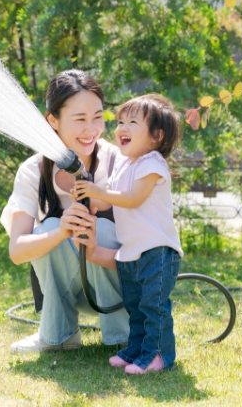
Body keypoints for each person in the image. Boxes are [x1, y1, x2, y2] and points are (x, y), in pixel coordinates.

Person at [1, 70, 130, 353]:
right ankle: (58, 336)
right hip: (72, 290)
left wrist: (93, 240)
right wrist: (62, 230)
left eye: (97, 117)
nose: (91, 129)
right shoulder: (33, 171)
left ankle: (126, 334)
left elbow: (146, 243)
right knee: (47, 229)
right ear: (53, 120)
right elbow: (17, 251)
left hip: (118, 287)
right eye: (80, 119)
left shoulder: (118, 162)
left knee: (101, 228)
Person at [72, 93, 183, 374]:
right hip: (131, 251)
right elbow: (108, 201)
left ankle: (159, 356)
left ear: (157, 135)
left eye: (133, 122)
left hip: (157, 250)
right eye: (121, 121)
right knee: (135, 305)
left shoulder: (152, 163)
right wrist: (87, 198)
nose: (122, 127)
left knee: (153, 306)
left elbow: (133, 199)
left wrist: (97, 191)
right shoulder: (124, 164)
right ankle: (137, 350)